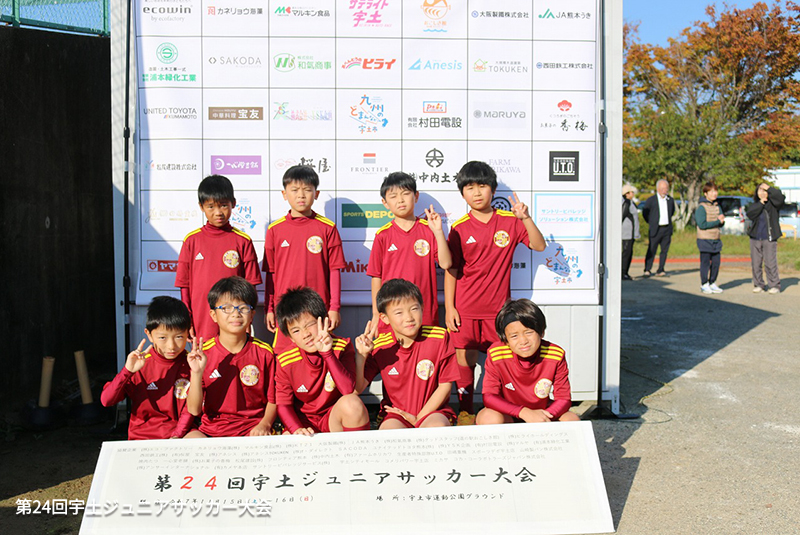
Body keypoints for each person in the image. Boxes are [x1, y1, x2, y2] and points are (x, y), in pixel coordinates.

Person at [444, 161, 546, 415]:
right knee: (464, 360)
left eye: (482, 186)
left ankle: (504, 411)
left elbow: (539, 246)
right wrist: (449, 308)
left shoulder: (511, 222)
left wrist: (526, 218)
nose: (477, 193)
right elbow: (451, 270)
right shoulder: (459, 228)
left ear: (493, 189)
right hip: (465, 308)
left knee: (502, 360)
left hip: (499, 311)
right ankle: (466, 412)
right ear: (462, 193)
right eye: (469, 188)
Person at [354, 279, 459, 429]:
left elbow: (445, 386)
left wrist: (418, 419)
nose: (409, 317)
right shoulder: (380, 346)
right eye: (399, 312)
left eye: (414, 309)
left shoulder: (439, 338)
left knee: (436, 427)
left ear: (422, 308)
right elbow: (357, 389)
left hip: (432, 413)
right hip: (396, 415)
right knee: (390, 431)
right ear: (384, 318)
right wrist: (361, 356)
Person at [263, 165, 346, 353]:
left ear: (316, 194)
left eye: (307, 190)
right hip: (286, 310)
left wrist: (334, 308)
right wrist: (269, 309)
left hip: (317, 310)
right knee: (285, 358)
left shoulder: (327, 228)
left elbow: (335, 271)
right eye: (294, 190)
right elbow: (271, 274)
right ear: (284, 194)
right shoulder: (275, 230)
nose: (301, 195)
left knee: (321, 354)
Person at [185, 277, 277, 437]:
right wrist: (197, 373)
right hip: (213, 431)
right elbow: (194, 410)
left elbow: (274, 399)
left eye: (243, 308)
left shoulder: (264, 353)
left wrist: (265, 424)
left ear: (252, 315)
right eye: (227, 308)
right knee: (190, 440)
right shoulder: (202, 354)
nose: (236, 314)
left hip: (253, 431)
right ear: (213, 315)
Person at [175, 175, 262, 340]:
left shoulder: (243, 241)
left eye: (223, 205)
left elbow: (251, 286)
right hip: (201, 318)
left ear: (233, 204)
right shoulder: (191, 241)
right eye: (211, 207)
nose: (218, 212)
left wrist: (248, 318)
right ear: (201, 207)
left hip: (234, 317)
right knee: (204, 355)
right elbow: (184, 286)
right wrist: (187, 318)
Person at [274, 287, 370, 435]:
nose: (305, 334)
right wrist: (296, 429)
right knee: (287, 436)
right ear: (291, 338)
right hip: (304, 422)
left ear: (324, 321)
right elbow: (283, 405)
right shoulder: (286, 360)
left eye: (309, 325)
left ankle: (354, 450)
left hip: (332, 417)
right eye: (296, 331)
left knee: (352, 404)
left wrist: (327, 353)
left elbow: (348, 390)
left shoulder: (341, 347)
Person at [367, 172, 452, 335]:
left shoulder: (429, 230)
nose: (400, 200)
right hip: (393, 313)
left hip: (424, 312)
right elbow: (376, 276)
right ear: (385, 203)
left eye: (405, 194)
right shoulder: (383, 235)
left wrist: (438, 232)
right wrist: (376, 313)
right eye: (393, 196)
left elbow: (446, 263)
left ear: (416, 196)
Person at [100, 296, 194, 439]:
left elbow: (190, 410)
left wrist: (176, 436)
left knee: (198, 438)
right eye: (162, 338)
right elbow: (106, 400)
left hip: (179, 434)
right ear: (149, 335)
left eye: (179, 337)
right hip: (143, 437)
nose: (171, 346)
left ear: (188, 333)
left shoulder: (192, 364)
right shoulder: (140, 364)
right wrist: (127, 371)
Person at [475, 299, 579, 425]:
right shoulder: (497, 354)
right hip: (508, 413)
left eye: (529, 332)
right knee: (488, 417)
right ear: (505, 339)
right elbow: (489, 397)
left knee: (571, 419)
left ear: (541, 332)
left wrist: (543, 416)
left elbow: (564, 398)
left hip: (542, 413)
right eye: (514, 336)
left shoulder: (555, 355)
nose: (523, 341)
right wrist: (523, 413)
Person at [746, 183, 785, 294]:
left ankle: (774, 285)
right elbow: (750, 214)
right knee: (756, 263)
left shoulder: (773, 205)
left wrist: (769, 188)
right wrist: (761, 203)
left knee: (770, 263)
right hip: (755, 238)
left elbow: (780, 198)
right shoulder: (755, 205)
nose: (762, 193)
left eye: (765, 191)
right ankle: (759, 284)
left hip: (769, 238)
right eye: (760, 190)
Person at [695, 182, 725, 294]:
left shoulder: (717, 206)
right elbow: (702, 224)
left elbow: (721, 221)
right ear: (705, 193)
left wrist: (721, 222)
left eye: (715, 191)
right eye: (711, 191)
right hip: (704, 239)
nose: (714, 193)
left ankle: (712, 282)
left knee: (716, 263)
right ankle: (704, 284)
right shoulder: (701, 207)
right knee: (705, 263)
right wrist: (717, 222)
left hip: (716, 238)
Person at [641, 178, 676, 277]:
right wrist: (652, 222)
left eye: (666, 188)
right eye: (663, 188)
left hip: (666, 229)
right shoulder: (651, 200)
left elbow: (672, 212)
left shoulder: (670, 200)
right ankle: (647, 269)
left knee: (664, 250)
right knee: (652, 249)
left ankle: (661, 269)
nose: (665, 190)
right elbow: (645, 213)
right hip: (655, 229)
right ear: (658, 189)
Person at [621, 184, 640, 281]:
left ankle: (625, 272)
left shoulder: (631, 203)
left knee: (629, 252)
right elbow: (622, 215)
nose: (633, 194)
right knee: (626, 253)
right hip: (626, 234)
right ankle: (623, 272)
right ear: (626, 194)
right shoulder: (626, 203)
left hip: (631, 233)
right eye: (631, 192)